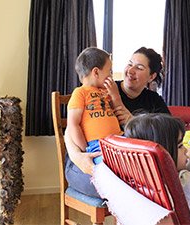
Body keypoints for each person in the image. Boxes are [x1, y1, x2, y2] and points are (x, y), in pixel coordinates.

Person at [64, 47, 170, 198]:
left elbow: (168, 131)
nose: (131, 70)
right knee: (137, 184)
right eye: (130, 63)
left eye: (139, 67)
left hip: (120, 150)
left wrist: (132, 121)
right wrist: (79, 154)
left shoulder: (152, 100)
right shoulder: (100, 89)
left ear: (151, 76)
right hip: (91, 155)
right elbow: (71, 127)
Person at [67, 47, 123, 165]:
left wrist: (115, 94)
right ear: (96, 72)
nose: (111, 75)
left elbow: (118, 110)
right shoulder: (80, 92)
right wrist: (85, 148)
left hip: (119, 140)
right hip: (97, 145)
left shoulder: (106, 91)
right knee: (109, 165)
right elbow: (73, 124)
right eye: (109, 71)